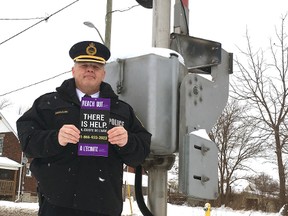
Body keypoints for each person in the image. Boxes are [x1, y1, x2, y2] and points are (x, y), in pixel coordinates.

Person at [16, 41, 151, 216]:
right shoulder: (48, 104)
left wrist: (128, 141)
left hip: (105, 205)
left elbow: (142, 151)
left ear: (103, 73)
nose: (90, 69)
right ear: (73, 71)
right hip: (57, 204)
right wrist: (56, 138)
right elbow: (27, 141)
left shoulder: (122, 110)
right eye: (84, 65)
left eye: (96, 66)